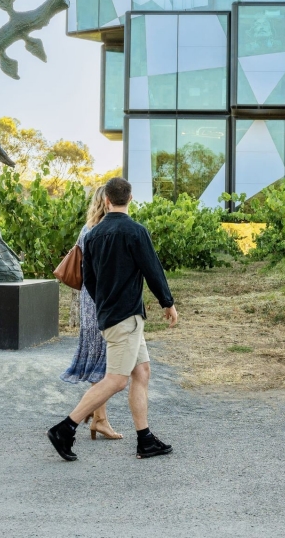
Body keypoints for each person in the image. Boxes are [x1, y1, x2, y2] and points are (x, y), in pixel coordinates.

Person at [47, 177, 178, 462]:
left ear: (106, 200)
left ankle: (145, 440)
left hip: (112, 315)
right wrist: (167, 303)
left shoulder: (93, 234)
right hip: (126, 318)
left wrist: (104, 304)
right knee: (117, 381)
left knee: (141, 372)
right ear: (130, 199)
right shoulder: (136, 231)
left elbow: (89, 282)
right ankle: (65, 429)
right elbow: (152, 269)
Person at [60, 186, 122, 440]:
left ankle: (96, 413)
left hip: (88, 298)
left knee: (101, 358)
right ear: (109, 202)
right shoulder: (105, 231)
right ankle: (99, 418)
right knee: (105, 362)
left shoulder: (87, 229)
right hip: (101, 299)